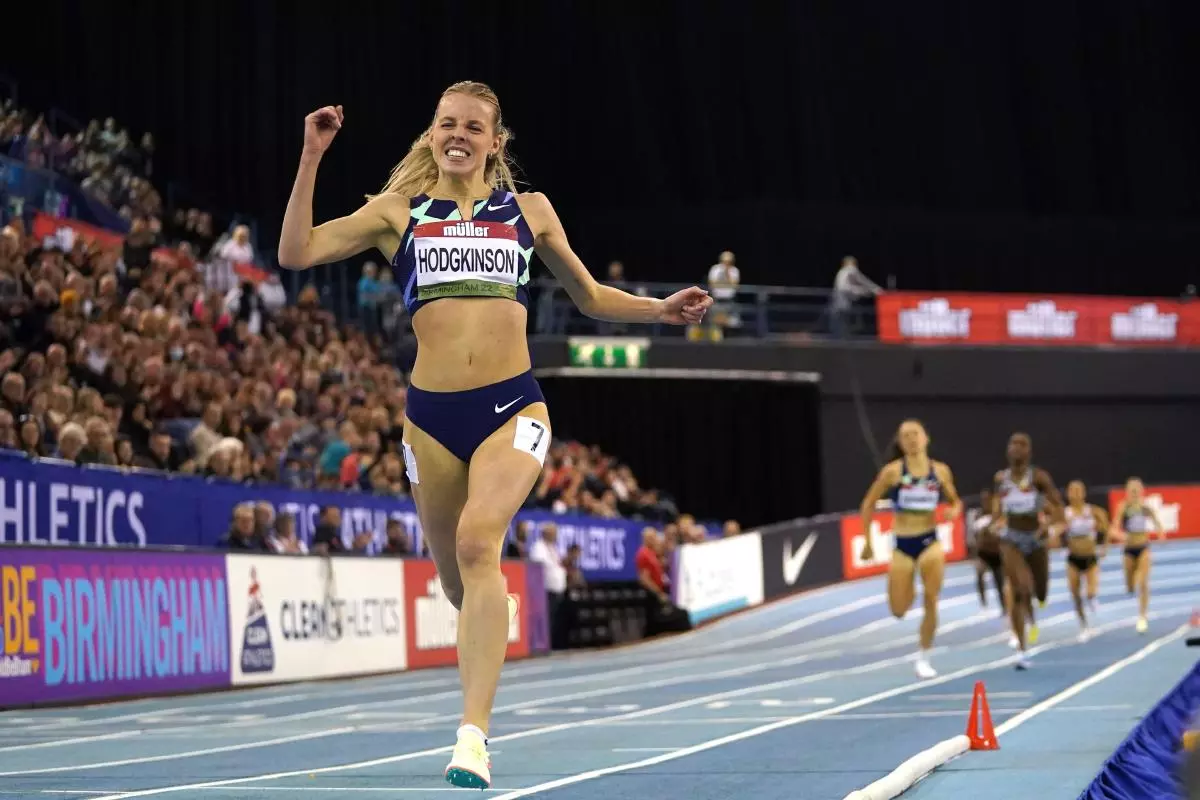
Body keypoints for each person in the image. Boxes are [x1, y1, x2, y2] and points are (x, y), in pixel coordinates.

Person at [277, 82, 712, 790]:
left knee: (481, 542)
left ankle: (472, 738)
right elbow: (296, 252)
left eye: (473, 126)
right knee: (458, 580)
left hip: (514, 407)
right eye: (447, 123)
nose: (459, 134)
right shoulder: (396, 213)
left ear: (494, 141)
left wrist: (658, 310)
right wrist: (310, 156)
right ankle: (489, 608)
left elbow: (590, 295)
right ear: (430, 135)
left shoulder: (529, 211)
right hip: (430, 420)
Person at [859, 419, 962, 679]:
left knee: (931, 599)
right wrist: (868, 542)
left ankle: (924, 657)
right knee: (898, 611)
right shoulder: (892, 472)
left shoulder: (940, 471)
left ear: (926, 437)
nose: (911, 439)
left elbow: (955, 500)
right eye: (905, 436)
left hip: (930, 541)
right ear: (900, 443)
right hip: (902, 545)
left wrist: (953, 511)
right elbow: (868, 504)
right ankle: (909, 586)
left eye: (915, 434)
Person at [991, 432, 1063, 669]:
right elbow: (997, 507)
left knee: (1040, 593)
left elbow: (1059, 509)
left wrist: (1050, 528)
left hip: (1036, 538)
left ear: (1029, 451)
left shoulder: (1039, 477)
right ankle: (1022, 650)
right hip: (1011, 538)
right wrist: (995, 522)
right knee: (1020, 589)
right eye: (1012, 444)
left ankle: (1037, 605)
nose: (1016, 448)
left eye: (1021, 445)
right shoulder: (1001, 479)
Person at [1050, 480, 1109, 642]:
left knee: (1090, 592)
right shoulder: (1065, 513)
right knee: (1075, 595)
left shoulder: (1093, 511)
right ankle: (1084, 626)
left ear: (1083, 493)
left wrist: (1104, 547)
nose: (1075, 494)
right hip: (1073, 558)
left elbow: (1106, 528)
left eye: (1078, 491)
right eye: (1072, 491)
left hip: (1090, 557)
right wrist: (1058, 532)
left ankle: (1092, 598)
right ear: (1068, 494)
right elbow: (1054, 533)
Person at [1109, 477, 1166, 635]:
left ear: (1141, 491)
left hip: (1143, 547)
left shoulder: (1145, 508)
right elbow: (1114, 528)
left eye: (1137, 489)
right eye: (1131, 490)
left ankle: (1142, 617)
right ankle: (1130, 585)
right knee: (1130, 586)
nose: (1134, 492)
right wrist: (1121, 536)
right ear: (1127, 492)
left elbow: (1157, 523)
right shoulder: (1123, 507)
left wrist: (1160, 533)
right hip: (1128, 550)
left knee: (1143, 582)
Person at [967, 488, 1005, 617]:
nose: (985, 502)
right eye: (983, 500)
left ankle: (1004, 606)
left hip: (997, 553)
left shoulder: (998, 516)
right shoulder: (978, 514)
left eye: (987, 499)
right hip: (982, 553)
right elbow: (974, 535)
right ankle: (983, 605)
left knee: (999, 581)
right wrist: (973, 553)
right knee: (979, 576)